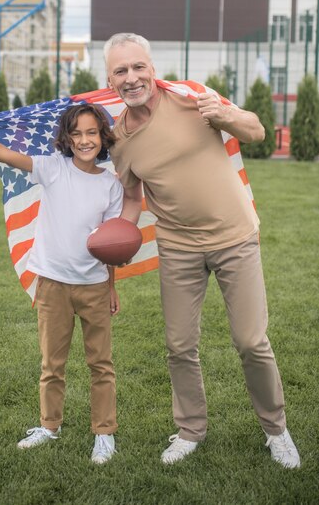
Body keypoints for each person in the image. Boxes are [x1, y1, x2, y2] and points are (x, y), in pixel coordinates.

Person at [105, 32, 300, 469]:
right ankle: (191, 429)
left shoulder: (193, 98)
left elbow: (257, 131)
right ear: (111, 79)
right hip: (177, 246)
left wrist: (225, 112)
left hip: (235, 237)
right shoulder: (120, 139)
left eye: (138, 67)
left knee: (251, 341)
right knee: (179, 345)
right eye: (121, 70)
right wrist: (122, 232)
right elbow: (133, 195)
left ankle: (276, 429)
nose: (132, 77)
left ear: (152, 68)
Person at [0, 103, 123, 464]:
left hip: (94, 286)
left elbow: (110, 242)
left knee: (101, 364)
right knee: (52, 364)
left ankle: (104, 433)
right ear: (66, 138)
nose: (84, 140)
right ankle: (50, 426)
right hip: (52, 285)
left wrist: (111, 286)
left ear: (103, 136)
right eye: (77, 133)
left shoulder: (110, 185)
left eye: (92, 132)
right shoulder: (52, 169)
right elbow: (5, 153)